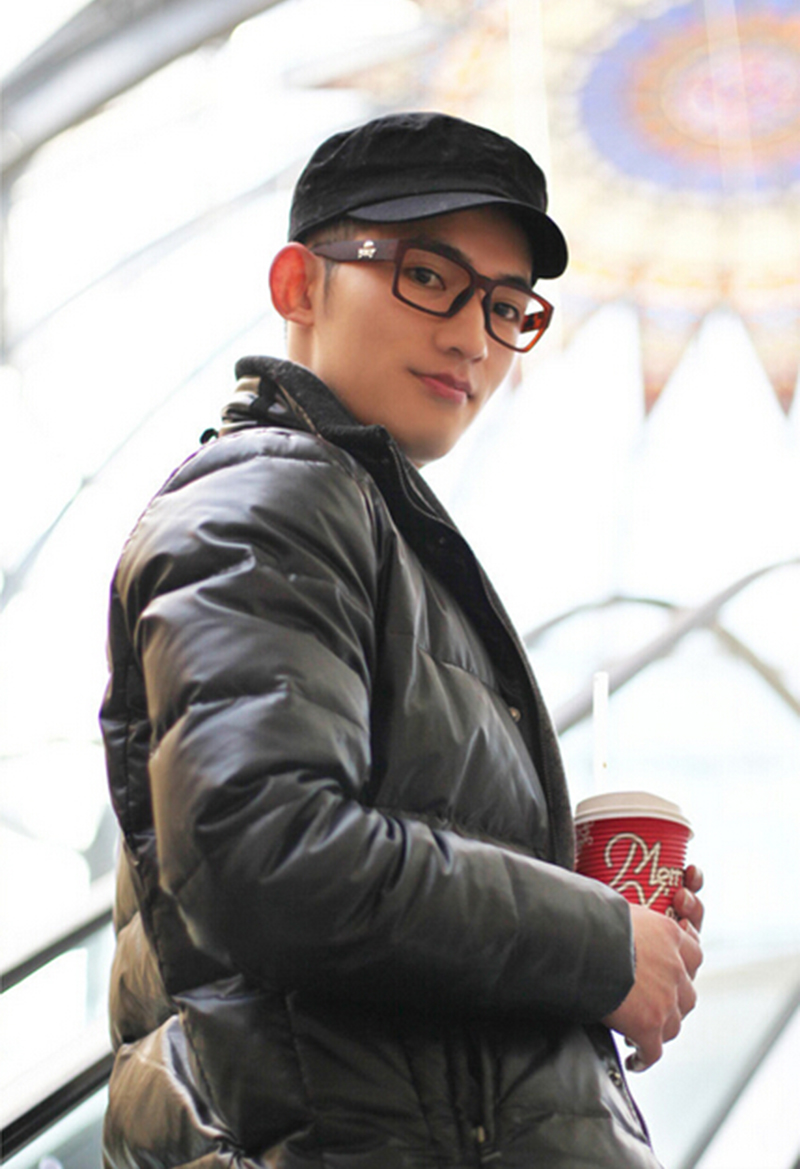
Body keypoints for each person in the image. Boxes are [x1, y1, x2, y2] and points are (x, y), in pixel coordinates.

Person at [101, 111, 704, 1169]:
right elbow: (269, 852)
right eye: (429, 277)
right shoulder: (269, 498)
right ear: (298, 284)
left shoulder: (367, 522)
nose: (473, 338)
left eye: (507, 306)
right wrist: (596, 942)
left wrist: (592, 921)